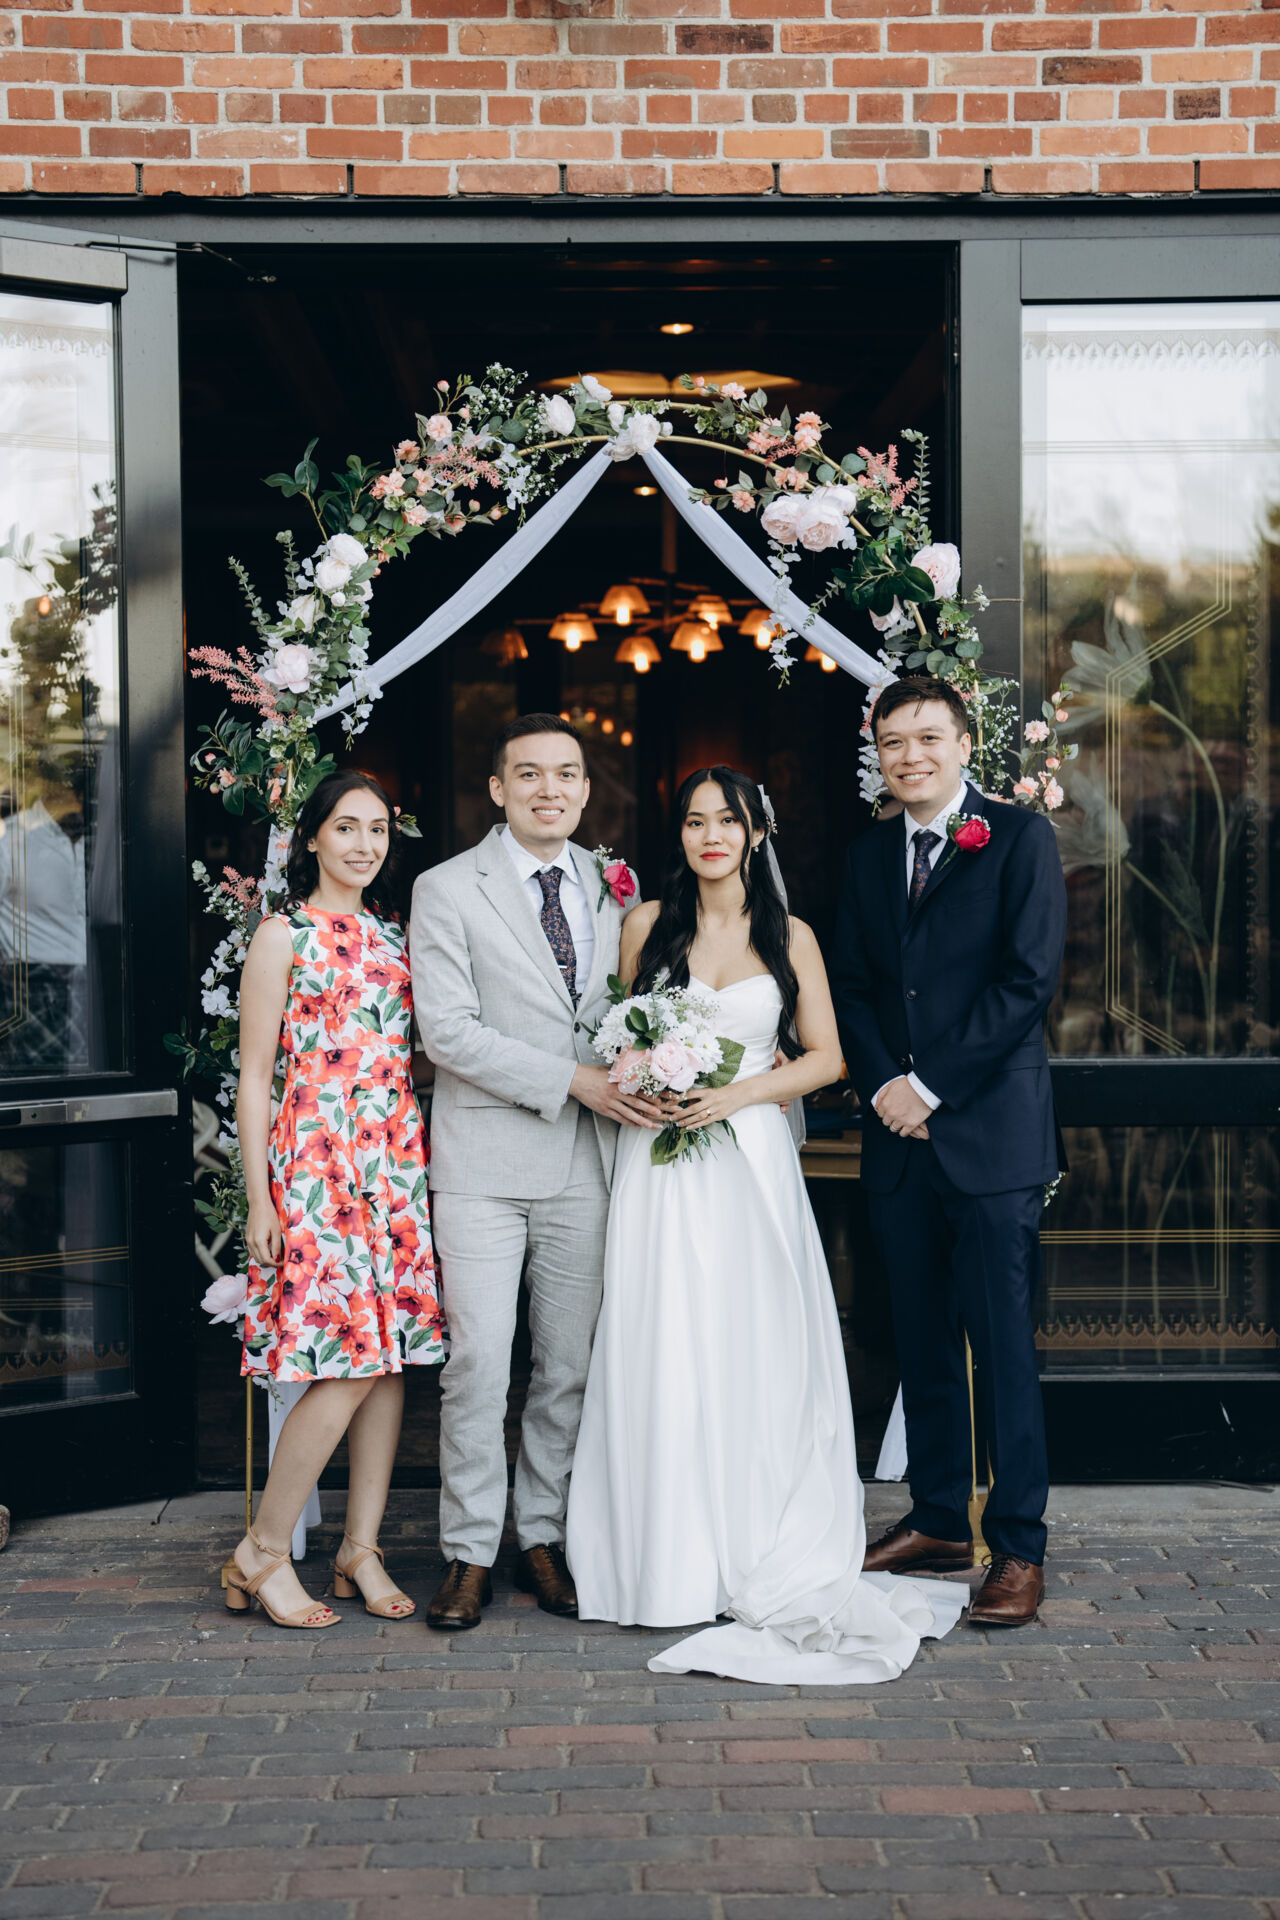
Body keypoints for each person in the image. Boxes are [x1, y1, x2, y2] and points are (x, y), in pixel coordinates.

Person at [565, 767, 967, 1684]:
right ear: (681, 834)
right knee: (661, 1337)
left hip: (748, 1156)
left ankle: (756, 1536)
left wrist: (737, 1094)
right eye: (695, 821)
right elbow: (619, 1041)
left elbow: (827, 1058)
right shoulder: (644, 926)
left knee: (753, 1339)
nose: (711, 835)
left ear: (756, 834)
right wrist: (645, 1075)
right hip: (659, 1165)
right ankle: (665, 1557)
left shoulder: (792, 935)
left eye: (728, 821)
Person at [410, 714, 659, 1631]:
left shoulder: (616, 885)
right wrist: (573, 1081)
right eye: (528, 774)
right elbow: (448, 1032)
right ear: (498, 789)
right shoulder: (446, 887)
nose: (548, 789)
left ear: (587, 790)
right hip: (482, 1161)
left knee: (567, 1366)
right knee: (478, 1362)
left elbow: (633, 1009)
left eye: (566, 774)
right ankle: (470, 1549)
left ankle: (542, 1535)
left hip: (586, 1165)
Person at [832, 675, 1067, 1628]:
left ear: (964, 746)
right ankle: (936, 1520)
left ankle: (1017, 1544)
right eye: (893, 742)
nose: (911, 756)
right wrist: (886, 1088)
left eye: (928, 738)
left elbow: (1028, 980)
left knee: (1003, 1350)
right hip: (899, 1143)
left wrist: (929, 1087)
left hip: (990, 1137)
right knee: (920, 1340)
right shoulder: (865, 855)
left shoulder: (1018, 838)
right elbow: (851, 986)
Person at [228, 770, 447, 1629]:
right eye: (347, 827)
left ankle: (360, 1548)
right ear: (313, 837)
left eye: (379, 829)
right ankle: (263, 1549)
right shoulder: (282, 935)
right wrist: (260, 1198)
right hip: (317, 1168)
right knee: (348, 1358)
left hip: (392, 1165)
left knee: (387, 1361)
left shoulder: (394, 936)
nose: (364, 844)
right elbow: (253, 1077)